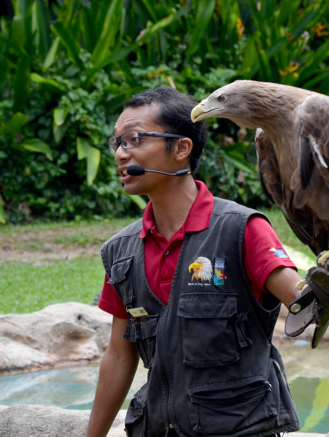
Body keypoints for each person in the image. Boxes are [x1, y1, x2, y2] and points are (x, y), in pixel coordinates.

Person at [87, 86, 307, 437]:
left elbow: (303, 299)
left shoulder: (242, 229)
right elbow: (118, 355)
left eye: (134, 139)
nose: (121, 154)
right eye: (118, 143)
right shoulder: (120, 252)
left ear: (181, 148)